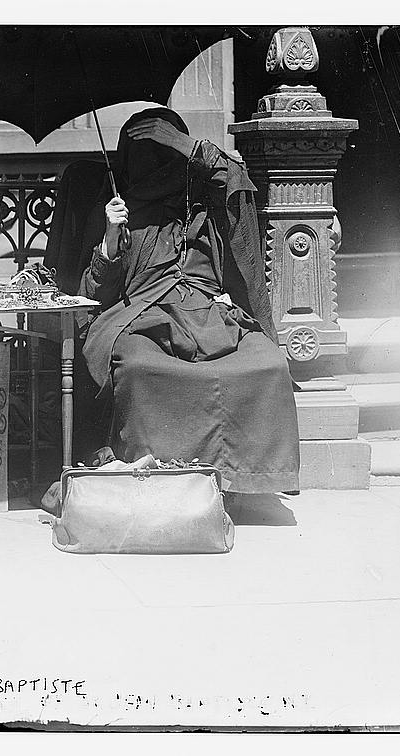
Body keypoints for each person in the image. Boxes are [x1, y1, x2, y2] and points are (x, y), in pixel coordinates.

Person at [46, 107, 300, 494]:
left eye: (166, 151)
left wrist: (186, 144)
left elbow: (235, 180)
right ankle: (154, 477)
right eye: (146, 153)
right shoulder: (119, 205)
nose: (158, 163)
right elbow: (94, 294)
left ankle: (243, 478)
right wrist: (111, 239)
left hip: (207, 314)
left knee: (266, 363)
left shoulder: (202, 200)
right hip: (140, 316)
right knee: (138, 367)